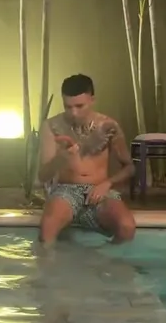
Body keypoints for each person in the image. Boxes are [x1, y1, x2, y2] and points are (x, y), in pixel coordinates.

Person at [37, 74, 137, 244]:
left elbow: (130, 167)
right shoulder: (51, 126)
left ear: (92, 100)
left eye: (79, 106)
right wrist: (61, 158)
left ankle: (106, 258)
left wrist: (107, 184)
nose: (74, 113)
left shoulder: (109, 126)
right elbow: (43, 175)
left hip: (100, 190)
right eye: (68, 107)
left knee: (126, 227)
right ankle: (50, 261)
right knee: (48, 227)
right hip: (66, 190)